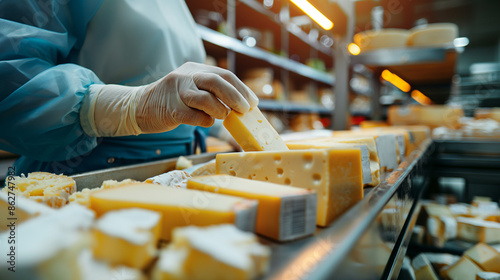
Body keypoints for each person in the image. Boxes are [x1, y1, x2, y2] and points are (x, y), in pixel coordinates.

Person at [0, 0, 258, 175]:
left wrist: (223, 124)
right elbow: (10, 74)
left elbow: (176, 90)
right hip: (87, 170)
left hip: (175, 169)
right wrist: (130, 107)